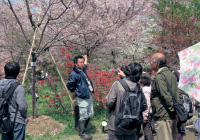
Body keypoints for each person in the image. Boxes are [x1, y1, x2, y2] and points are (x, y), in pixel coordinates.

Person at [106, 62, 147, 140]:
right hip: (131, 125)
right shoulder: (138, 87)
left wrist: (110, 112)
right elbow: (144, 105)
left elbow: (109, 102)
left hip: (116, 124)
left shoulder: (117, 84)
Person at [150, 53, 183, 140]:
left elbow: (166, 96)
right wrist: (176, 112)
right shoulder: (171, 75)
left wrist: (173, 111)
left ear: (156, 64)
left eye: (151, 61)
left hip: (163, 115)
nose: (150, 63)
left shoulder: (159, 77)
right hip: (171, 115)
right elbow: (178, 93)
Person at [67, 55, 94, 140]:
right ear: (76, 64)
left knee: (91, 113)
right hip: (82, 96)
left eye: (83, 62)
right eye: (80, 62)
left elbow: (85, 64)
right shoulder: (74, 74)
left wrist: (85, 59)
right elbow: (70, 84)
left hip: (88, 95)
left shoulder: (83, 69)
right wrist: (73, 92)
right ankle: (82, 133)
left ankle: (81, 128)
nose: (82, 64)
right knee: (83, 115)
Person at [0, 62, 28, 140]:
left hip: (3, 121)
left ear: (5, 71)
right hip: (17, 121)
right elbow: (22, 107)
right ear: (17, 73)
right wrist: (25, 116)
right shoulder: (18, 87)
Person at [139, 72, 153, 140]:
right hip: (150, 111)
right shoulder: (150, 88)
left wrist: (144, 116)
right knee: (148, 129)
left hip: (147, 113)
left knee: (147, 130)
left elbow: (146, 103)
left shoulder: (144, 90)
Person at [172, 70, 185, 140]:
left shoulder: (173, 86)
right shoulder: (181, 86)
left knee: (175, 130)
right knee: (179, 129)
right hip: (181, 109)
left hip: (175, 109)